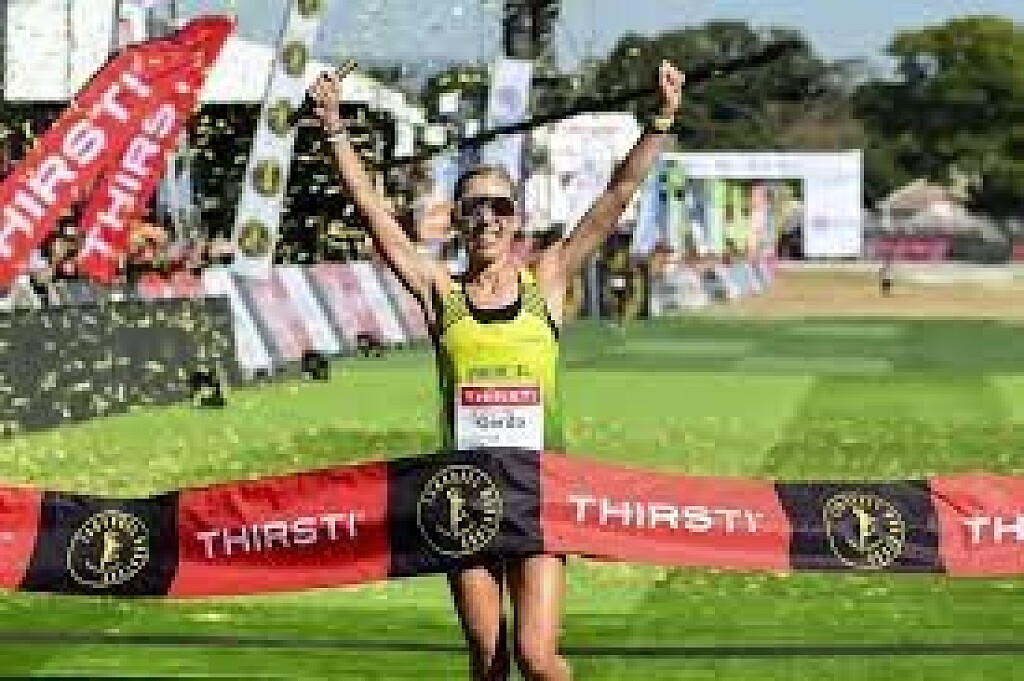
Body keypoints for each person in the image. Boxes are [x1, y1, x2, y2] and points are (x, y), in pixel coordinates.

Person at [310, 60, 684, 681]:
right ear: (458, 219)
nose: (486, 219)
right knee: (489, 664)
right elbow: (376, 217)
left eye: (499, 207)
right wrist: (333, 130)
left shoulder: (548, 281)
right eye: (473, 208)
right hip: (465, 498)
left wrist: (662, 121)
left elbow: (616, 197)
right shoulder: (440, 291)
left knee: (537, 658)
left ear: (516, 219)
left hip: (539, 495)